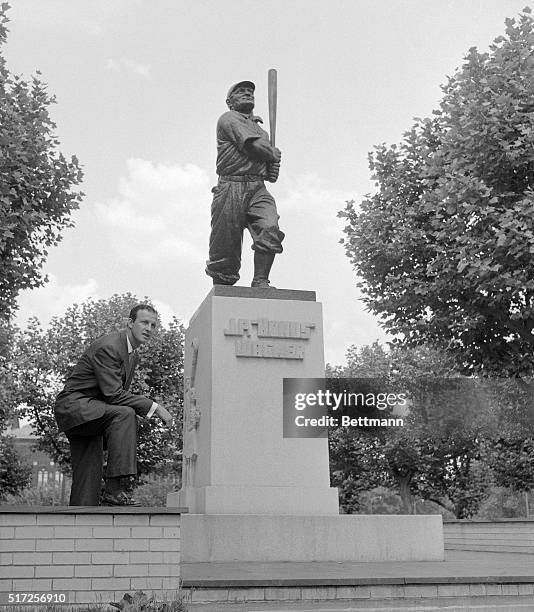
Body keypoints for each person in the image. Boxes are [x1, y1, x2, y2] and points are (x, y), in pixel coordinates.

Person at [54, 304, 173, 506]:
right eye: (144, 322)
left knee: (87, 474)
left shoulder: (132, 354)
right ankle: (114, 490)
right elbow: (114, 394)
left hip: (93, 411)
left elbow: (112, 394)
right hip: (76, 407)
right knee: (125, 414)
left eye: (153, 325)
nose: (149, 329)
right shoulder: (110, 347)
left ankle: (79, 525)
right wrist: (154, 407)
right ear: (130, 323)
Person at [205, 80, 284, 288]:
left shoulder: (263, 132)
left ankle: (260, 280)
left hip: (257, 188)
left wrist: (272, 168)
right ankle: (223, 288)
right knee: (225, 245)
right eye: (241, 92)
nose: (248, 94)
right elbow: (253, 147)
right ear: (229, 102)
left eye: (250, 92)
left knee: (269, 227)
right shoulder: (229, 119)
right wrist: (271, 153)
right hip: (231, 186)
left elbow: (267, 170)